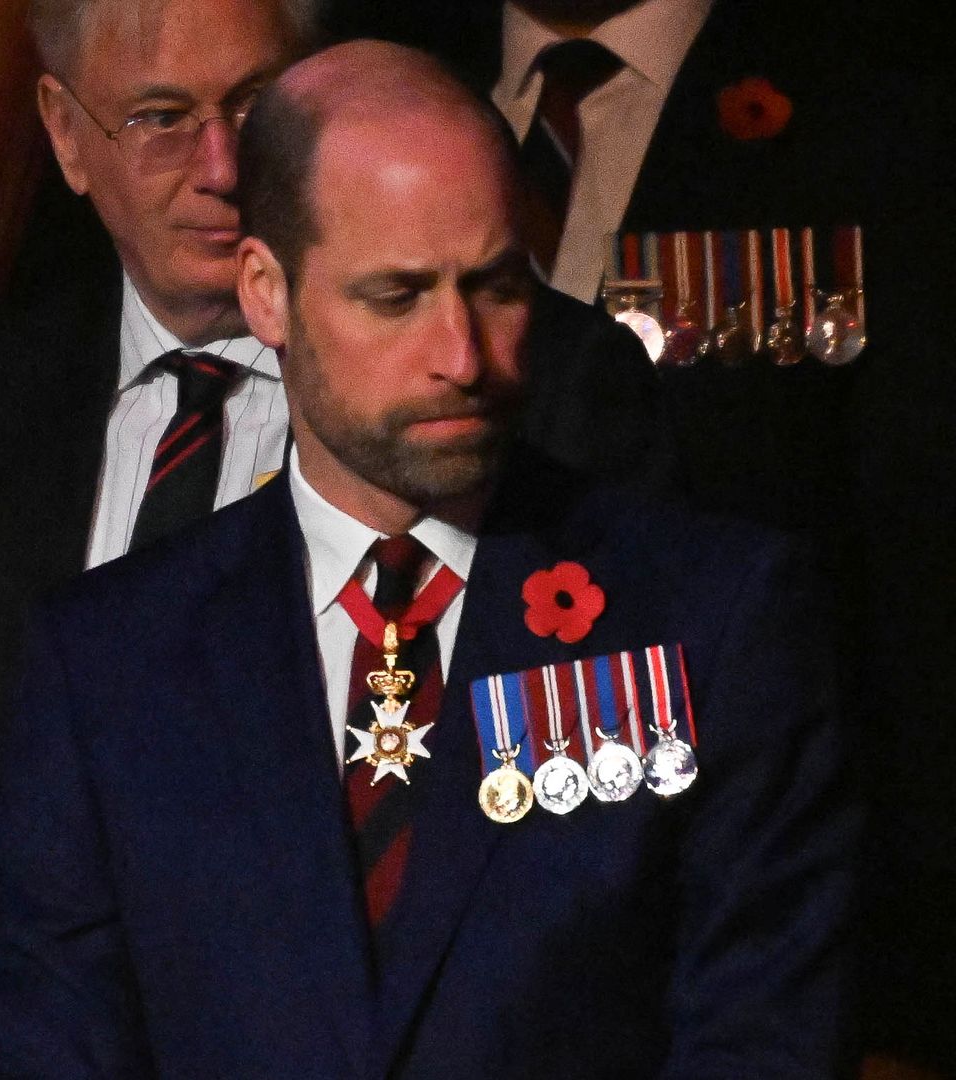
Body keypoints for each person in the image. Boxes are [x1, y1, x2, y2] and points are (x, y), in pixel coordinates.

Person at [0, 42, 855, 1077]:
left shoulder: (714, 617)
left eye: (495, 287)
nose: (462, 356)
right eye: (394, 297)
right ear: (266, 292)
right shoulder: (109, 662)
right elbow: (50, 1038)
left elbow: (764, 1035)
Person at [329, 2, 956, 1068]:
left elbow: (918, 573)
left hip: (742, 905)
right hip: (407, 874)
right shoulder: (374, 64)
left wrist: (904, 1002)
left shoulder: (876, 111)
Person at [0, 0, 668, 789]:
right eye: (161, 119)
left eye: (256, 106)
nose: (224, 169)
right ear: (66, 134)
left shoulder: (536, 378)